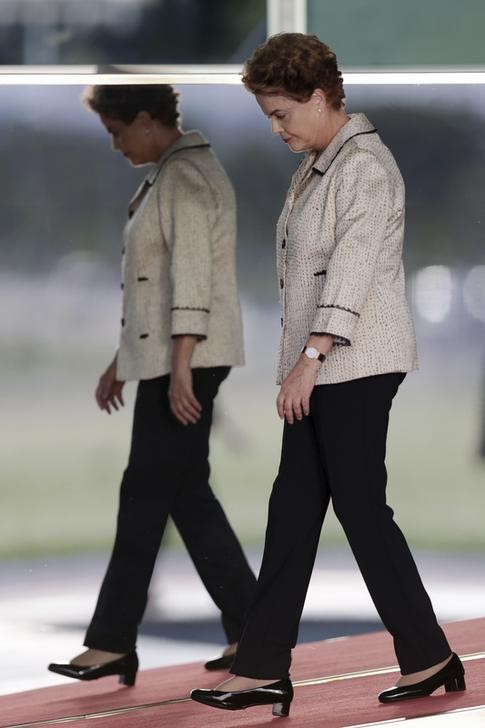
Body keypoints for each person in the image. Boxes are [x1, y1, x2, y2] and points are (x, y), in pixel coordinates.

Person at [191, 33, 466, 717]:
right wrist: (306, 365)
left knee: (360, 509)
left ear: (318, 97)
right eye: (268, 117)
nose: (277, 128)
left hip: (355, 362)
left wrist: (308, 363)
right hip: (326, 365)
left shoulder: (363, 168)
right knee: (293, 513)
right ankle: (261, 668)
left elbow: (349, 272)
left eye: (282, 113)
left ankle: (427, 654)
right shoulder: (319, 164)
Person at [48, 84, 256, 686]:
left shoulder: (186, 177)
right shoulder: (171, 173)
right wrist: (123, 361)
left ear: (146, 120)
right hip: (169, 358)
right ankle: (252, 629)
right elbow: (152, 285)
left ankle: (113, 640)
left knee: (143, 493)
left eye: (117, 132)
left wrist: (182, 366)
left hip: (183, 361)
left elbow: (191, 278)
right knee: (186, 496)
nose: (115, 145)